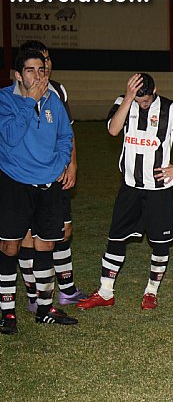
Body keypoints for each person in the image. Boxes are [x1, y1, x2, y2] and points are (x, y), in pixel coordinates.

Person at [77, 73, 173, 311]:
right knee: (116, 238)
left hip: (159, 190)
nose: (142, 104)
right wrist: (128, 98)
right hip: (130, 187)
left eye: (145, 101)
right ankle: (105, 292)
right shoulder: (123, 102)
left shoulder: (171, 108)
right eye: (138, 100)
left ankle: (151, 292)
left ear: (154, 90)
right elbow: (113, 130)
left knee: (161, 243)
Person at [0, 50, 77, 335]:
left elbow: (65, 136)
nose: (38, 75)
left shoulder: (53, 101)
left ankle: (44, 308)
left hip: (48, 184)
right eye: (30, 70)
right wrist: (29, 101)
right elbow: (9, 135)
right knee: (10, 246)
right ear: (17, 75)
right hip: (15, 183)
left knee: (46, 244)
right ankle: (7, 312)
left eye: (41, 69)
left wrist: (59, 164)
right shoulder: (5, 100)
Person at [16, 40, 86, 313]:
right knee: (27, 236)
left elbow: (66, 132)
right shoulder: (17, 94)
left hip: (55, 173)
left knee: (61, 232)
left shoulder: (58, 91)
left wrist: (72, 165)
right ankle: (34, 293)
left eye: (47, 61)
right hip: (27, 176)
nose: (44, 68)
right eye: (38, 63)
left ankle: (66, 289)